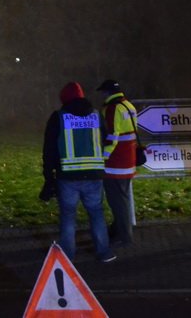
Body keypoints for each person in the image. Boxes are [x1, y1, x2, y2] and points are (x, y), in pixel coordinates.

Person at [42, 82, 115, 263]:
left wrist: (48, 174)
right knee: (96, 213)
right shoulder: (97, 116)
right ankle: (104, 252)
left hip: (67, 176)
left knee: (68, 216)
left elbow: (49, 149)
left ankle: (67, 256)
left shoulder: (58, 117)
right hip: (94, 174)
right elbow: (106, 138)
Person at [97, 79, 139, 247]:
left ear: (107, 92)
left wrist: (103, 158)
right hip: (128, 160)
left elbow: (112, 137)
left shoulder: (112, 108)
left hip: (115, 164)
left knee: (117, 202)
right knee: (122, 199)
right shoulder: (129, 105)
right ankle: (116, 231)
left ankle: (125, 237)